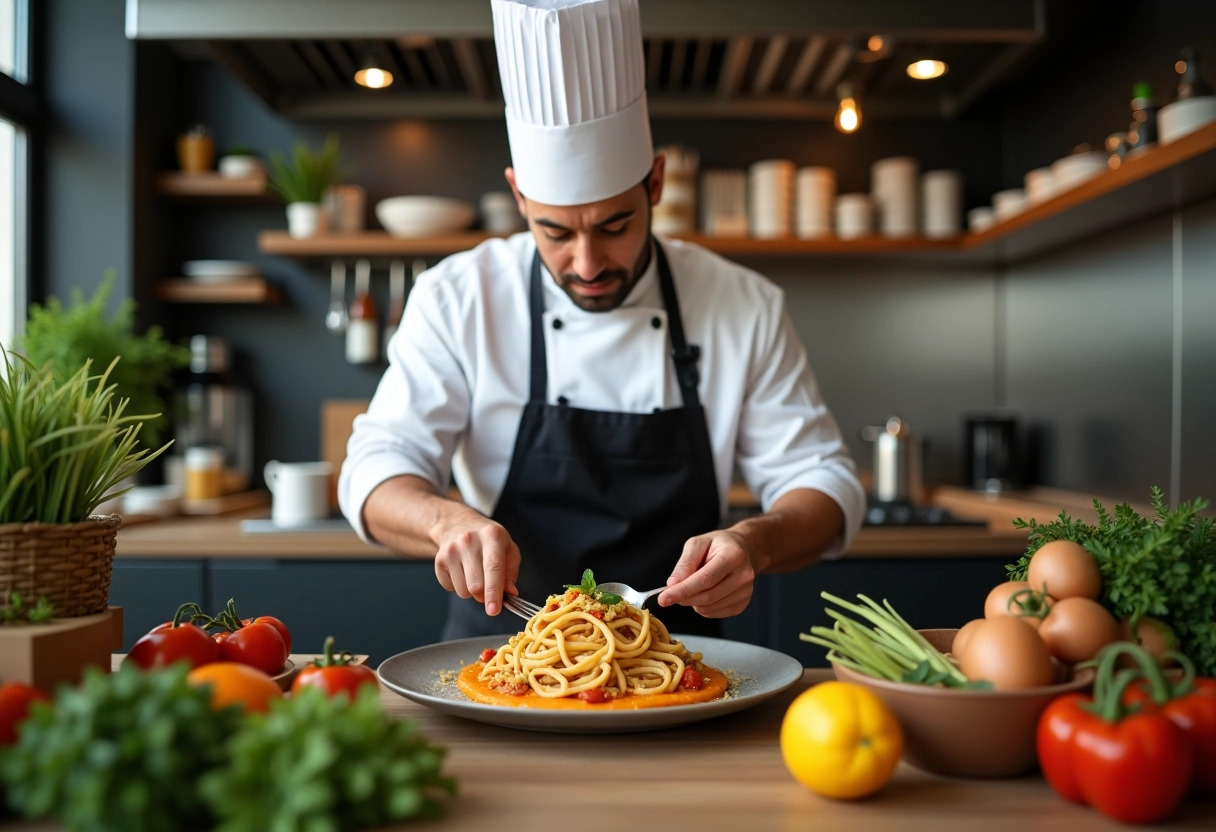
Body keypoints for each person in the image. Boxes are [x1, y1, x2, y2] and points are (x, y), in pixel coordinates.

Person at [338, 0, 865, 640]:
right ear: (518, 196)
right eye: (555, 231)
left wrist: (755, 542)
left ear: (656, 185)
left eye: (615, 225)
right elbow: (375, 466)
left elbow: (824, 481)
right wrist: (446, 522)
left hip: (682, 664)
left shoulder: (741, 302)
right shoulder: (460, 295)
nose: (587, 263)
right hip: (499, 653)